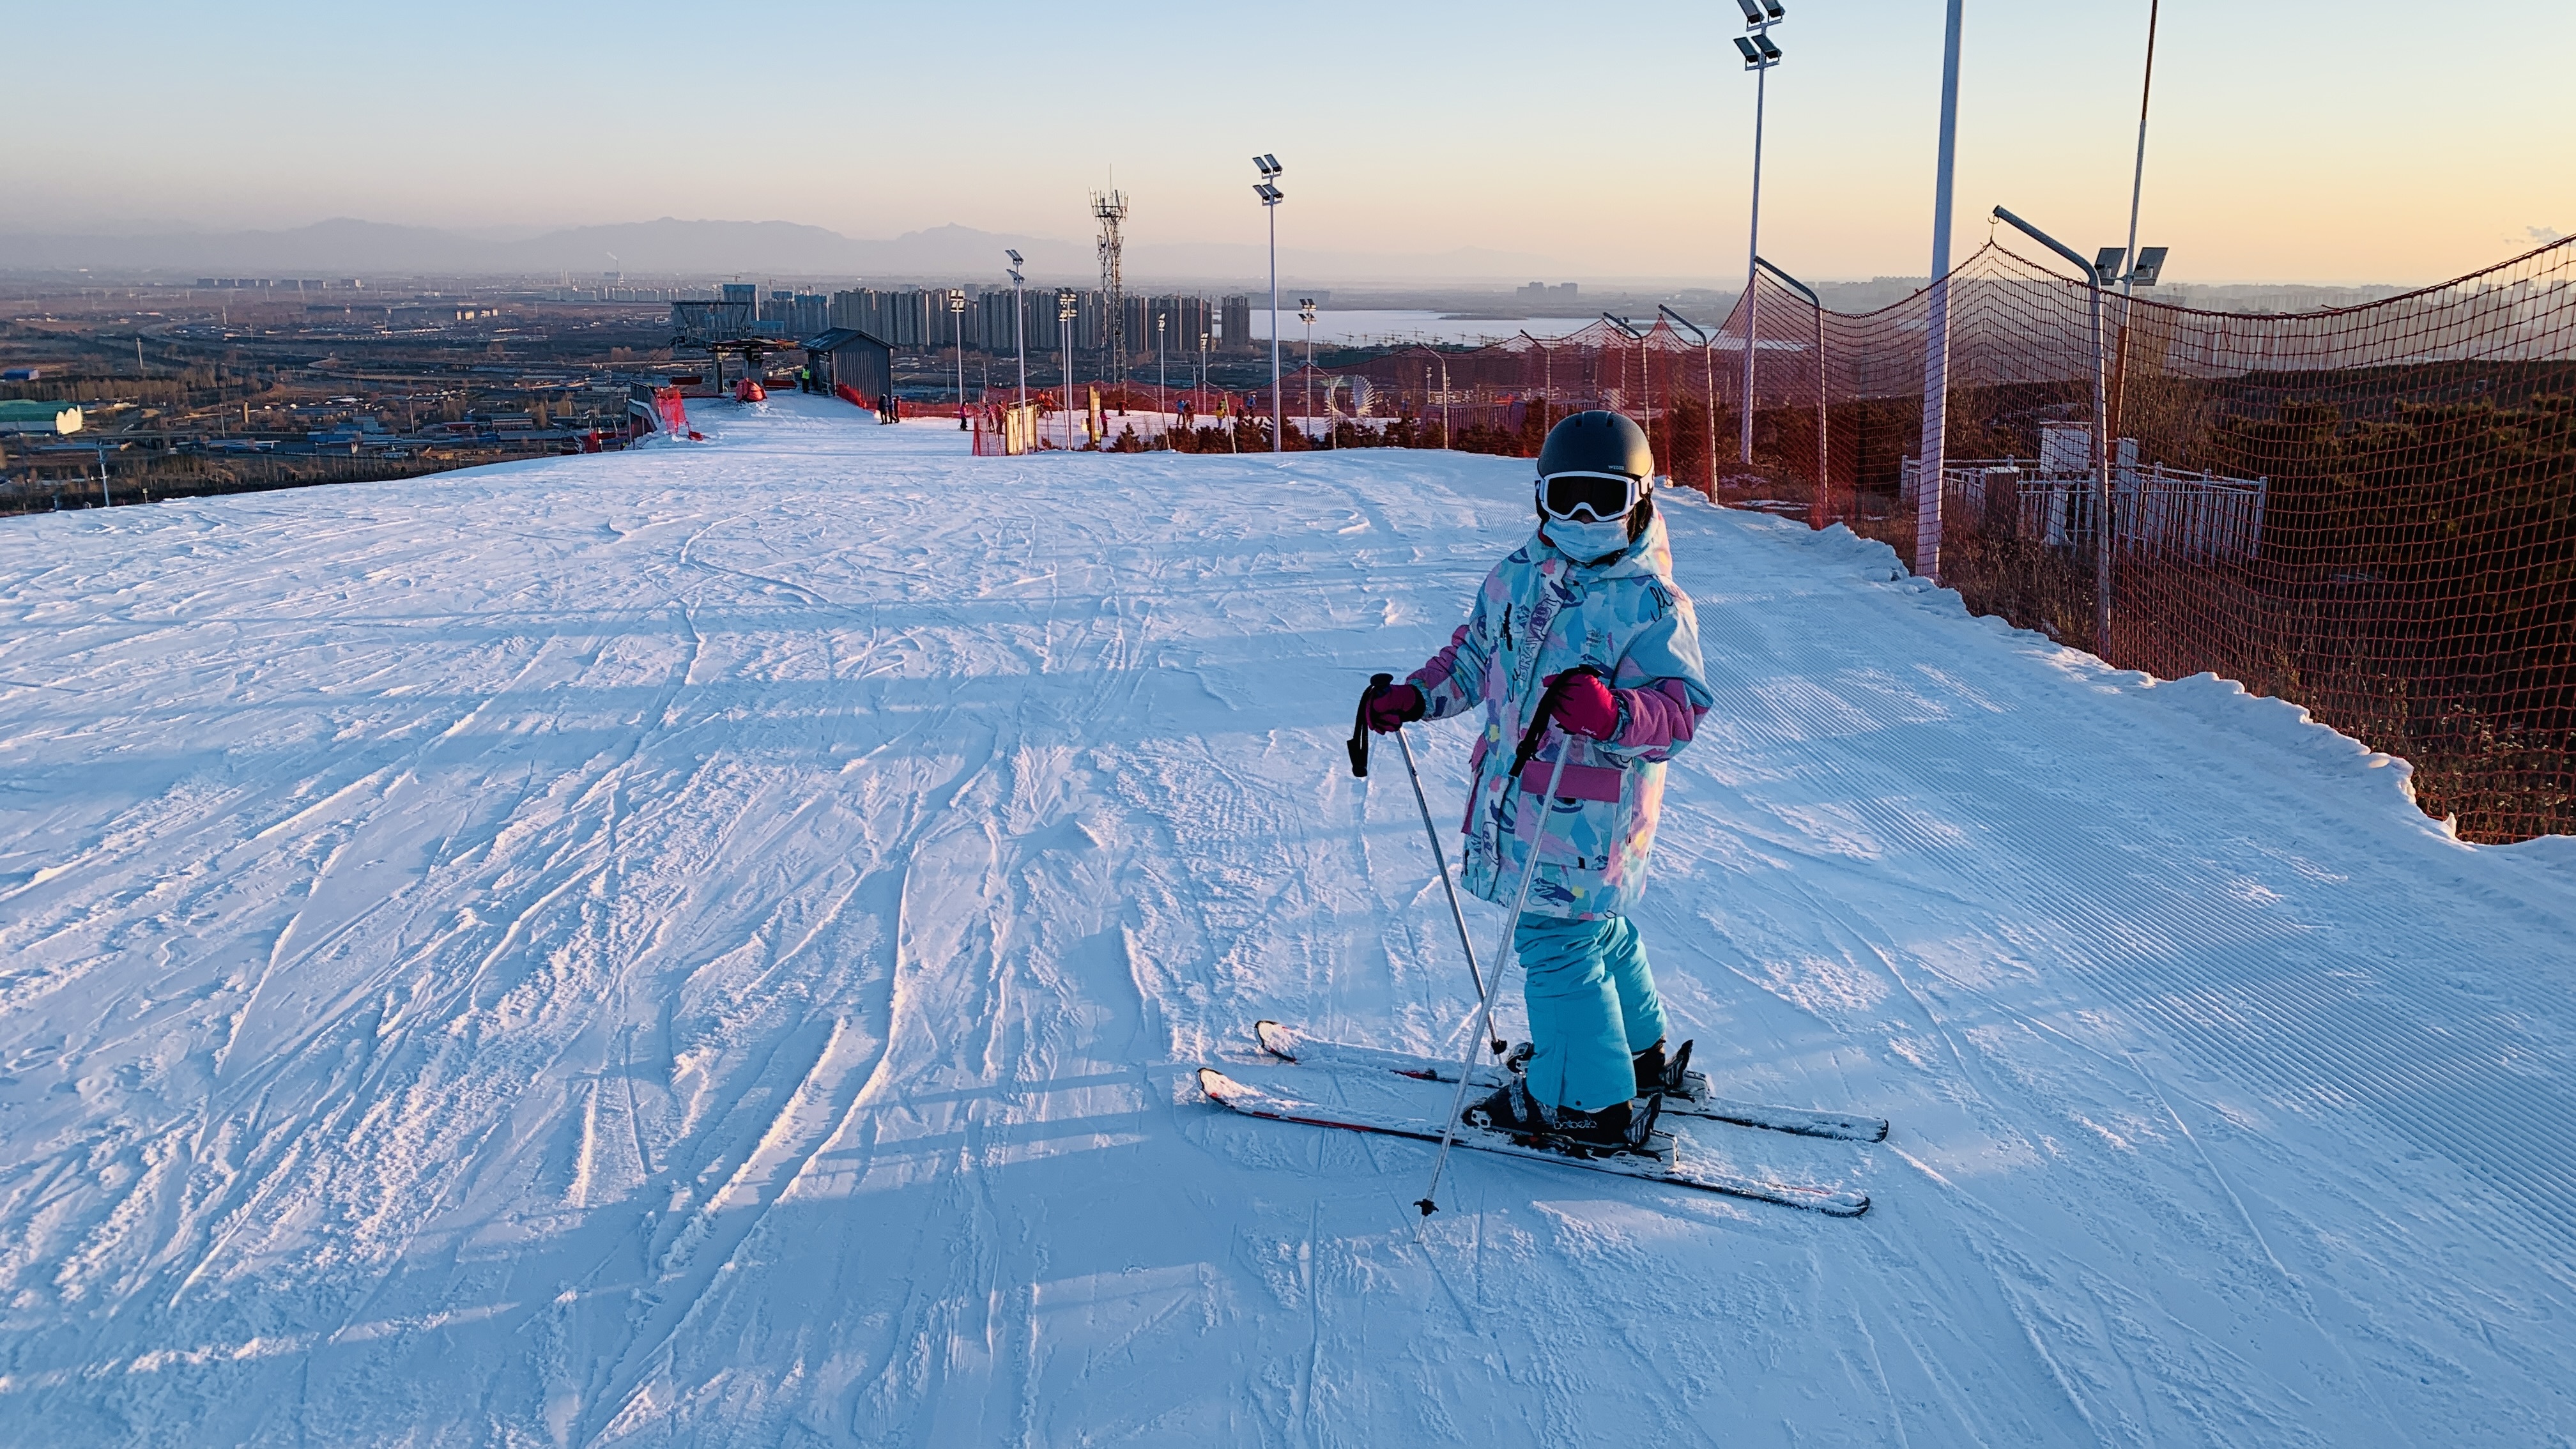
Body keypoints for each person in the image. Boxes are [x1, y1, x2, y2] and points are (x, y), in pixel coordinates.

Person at [1363, 410, 1713, 1151]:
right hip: (1521, 798)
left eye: (1604, 498)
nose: (1583, 518)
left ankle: (1583, 1100)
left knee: (1556, 943)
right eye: (1566, 497)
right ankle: (1636, 1057)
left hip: (1594, 817)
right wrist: (1417, 697)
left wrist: (1616, 713)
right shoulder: (1518, 577)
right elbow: (1472, 658)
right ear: (1540, 499)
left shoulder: (1653, 604)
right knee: (1594, 930)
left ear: (1641, 500)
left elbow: (1679, 715)